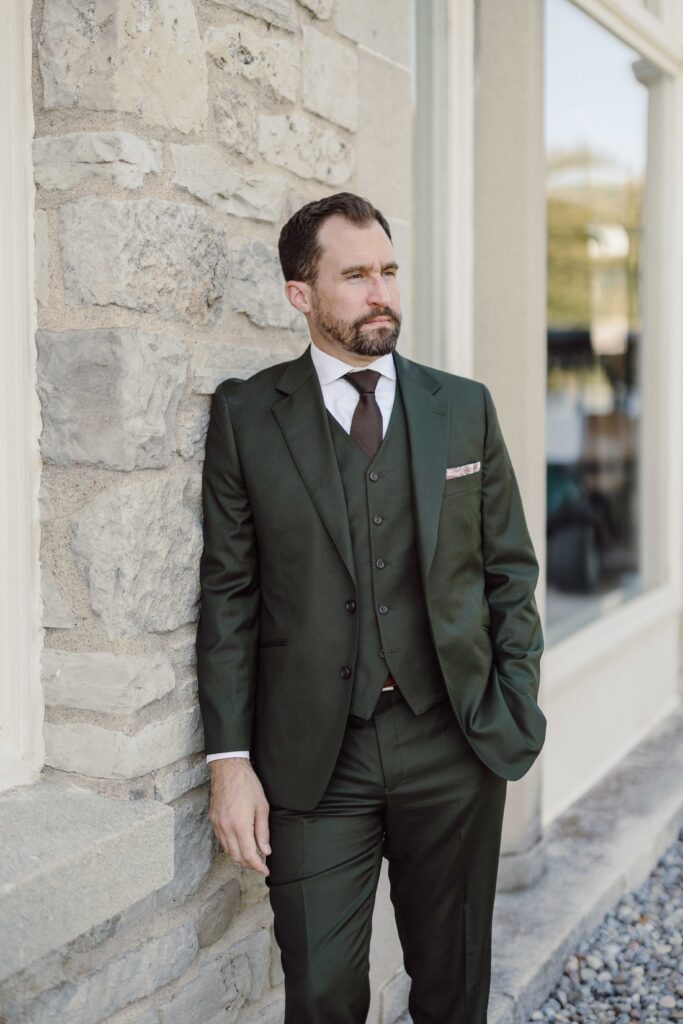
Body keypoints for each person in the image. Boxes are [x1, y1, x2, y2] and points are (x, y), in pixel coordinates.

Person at [196, 191, 546, 1024]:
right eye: (353, 275)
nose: (380, 292)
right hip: (316, 761)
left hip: (452, 742)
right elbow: (229, 593)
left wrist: (512, 702)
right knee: (321, 996)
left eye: (387, 271)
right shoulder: (247, 416)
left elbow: (508, 573)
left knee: (452, 990)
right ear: (300, 294)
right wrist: (229, 761)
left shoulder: (461, 407)